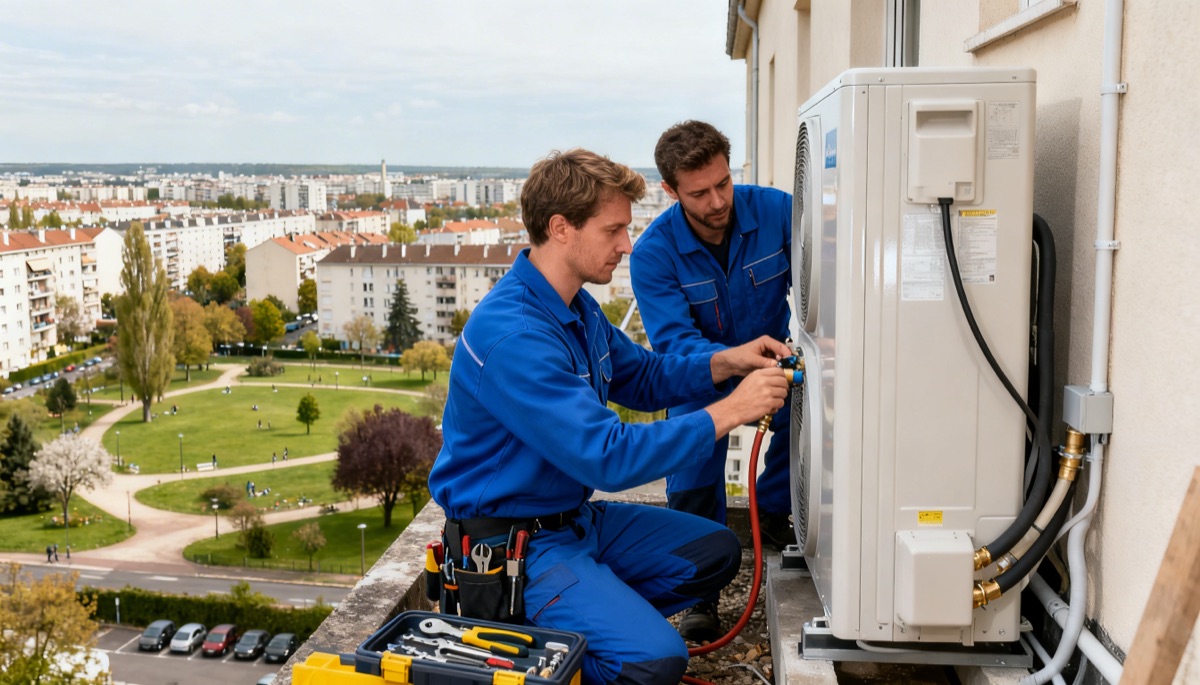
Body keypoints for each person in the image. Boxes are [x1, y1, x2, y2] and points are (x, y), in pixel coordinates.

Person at [428, 149, 790, 685]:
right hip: (513, 550)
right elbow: (608, 457)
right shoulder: (515, 336)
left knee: (714, 552)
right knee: (656, 660)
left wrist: (728, 361)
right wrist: (733, 408)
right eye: (613, 230)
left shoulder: (574, 305)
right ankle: (550, 634)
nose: (626, 245)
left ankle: (592, 613)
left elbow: (642, 377)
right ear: (561, 229)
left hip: (575, 525)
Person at [630, 121, 795, 642]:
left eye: (723, 183)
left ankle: (770, 513)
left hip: (773, 358)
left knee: (809, 420)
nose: (718, 200)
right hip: (699, 372)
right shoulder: (653, 253)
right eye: (699, 193)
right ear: (670, 191)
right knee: (692, 461)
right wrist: (731, 362)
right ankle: (700, 592)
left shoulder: (779, 211)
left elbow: (827, 280)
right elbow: (674, 344)